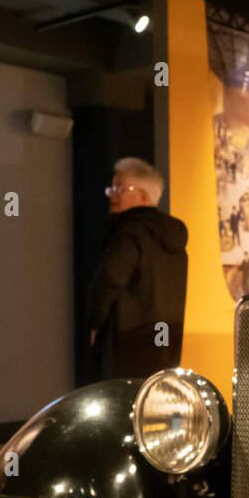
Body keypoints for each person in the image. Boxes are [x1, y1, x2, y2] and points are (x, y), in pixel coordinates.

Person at [85, 157, 188, 381]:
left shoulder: (130, 233)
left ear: (143, 195)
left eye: (119, 188)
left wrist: (95, 324)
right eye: (112, 188)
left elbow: (109, 280)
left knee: (121, 411)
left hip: (125, 349)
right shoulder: (174, 240)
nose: (112, 194)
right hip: (164, 349)